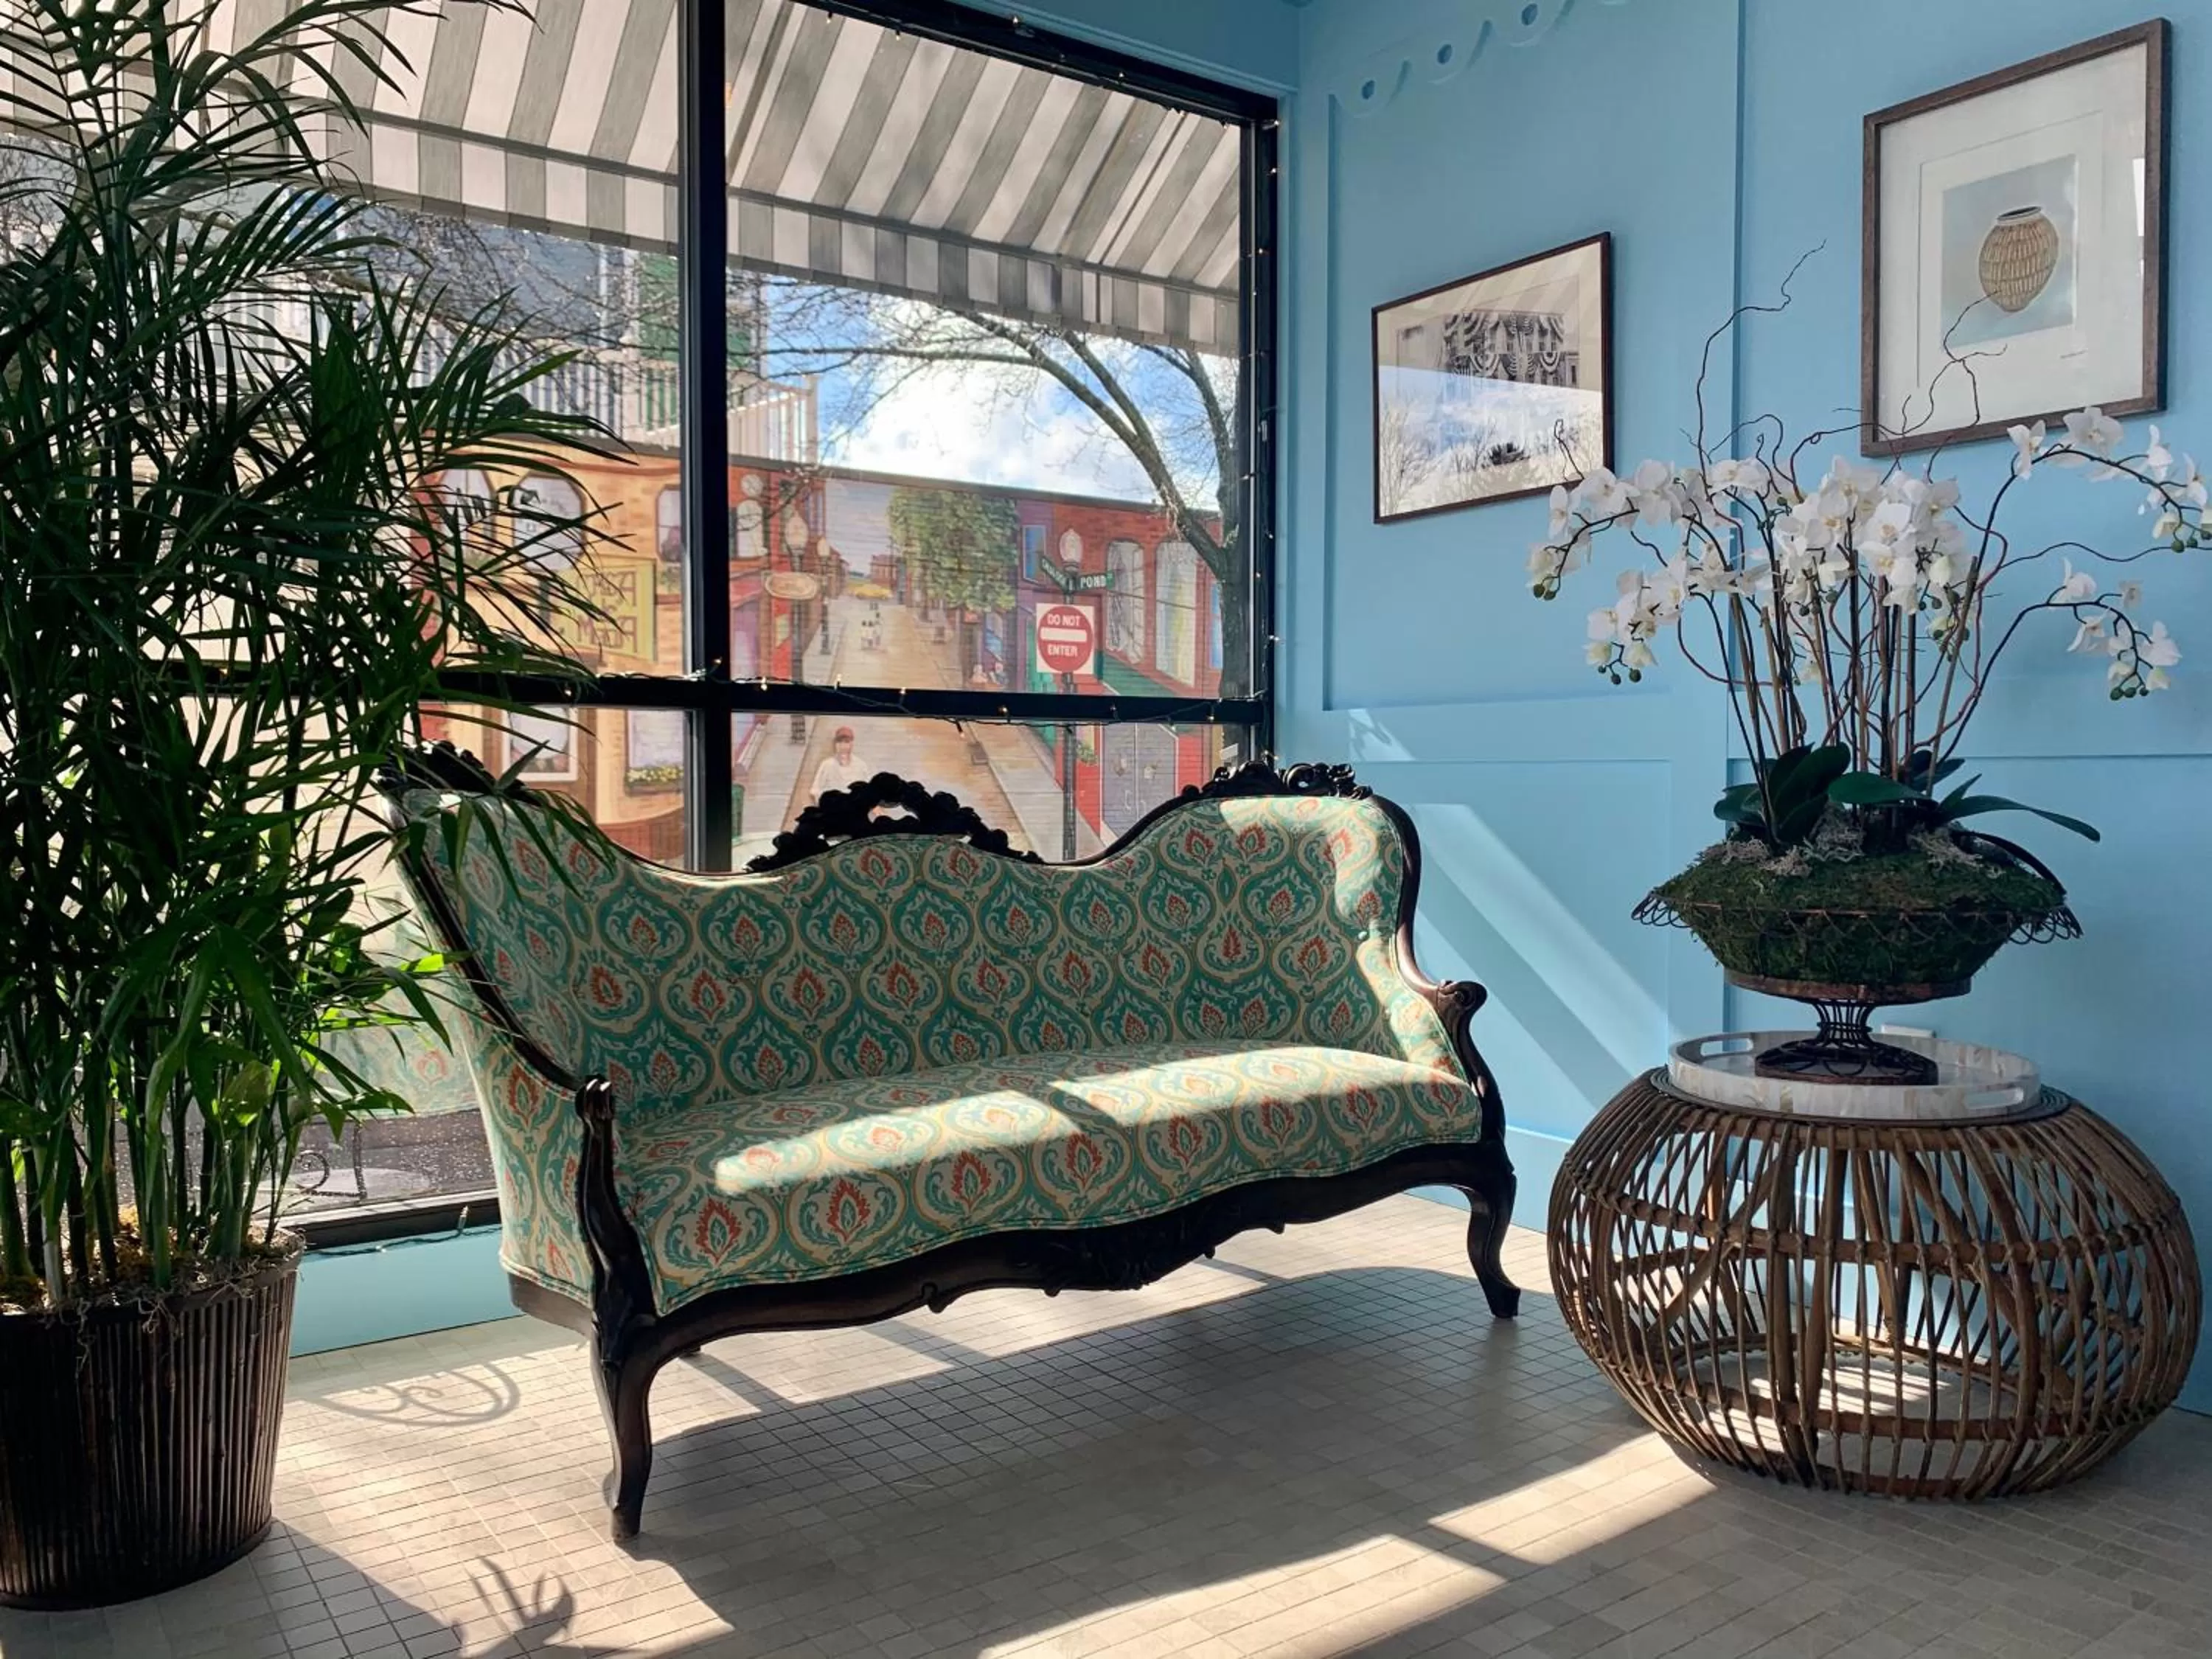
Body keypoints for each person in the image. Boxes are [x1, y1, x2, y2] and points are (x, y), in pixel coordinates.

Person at [810, 726, 866, 801]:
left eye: (846, 742)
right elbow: (814, 791)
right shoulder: (826, 765)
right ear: (835, 744)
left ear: (852, 744)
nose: (843, 746)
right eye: (839, 742)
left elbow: (868, 792)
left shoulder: (861, 766)